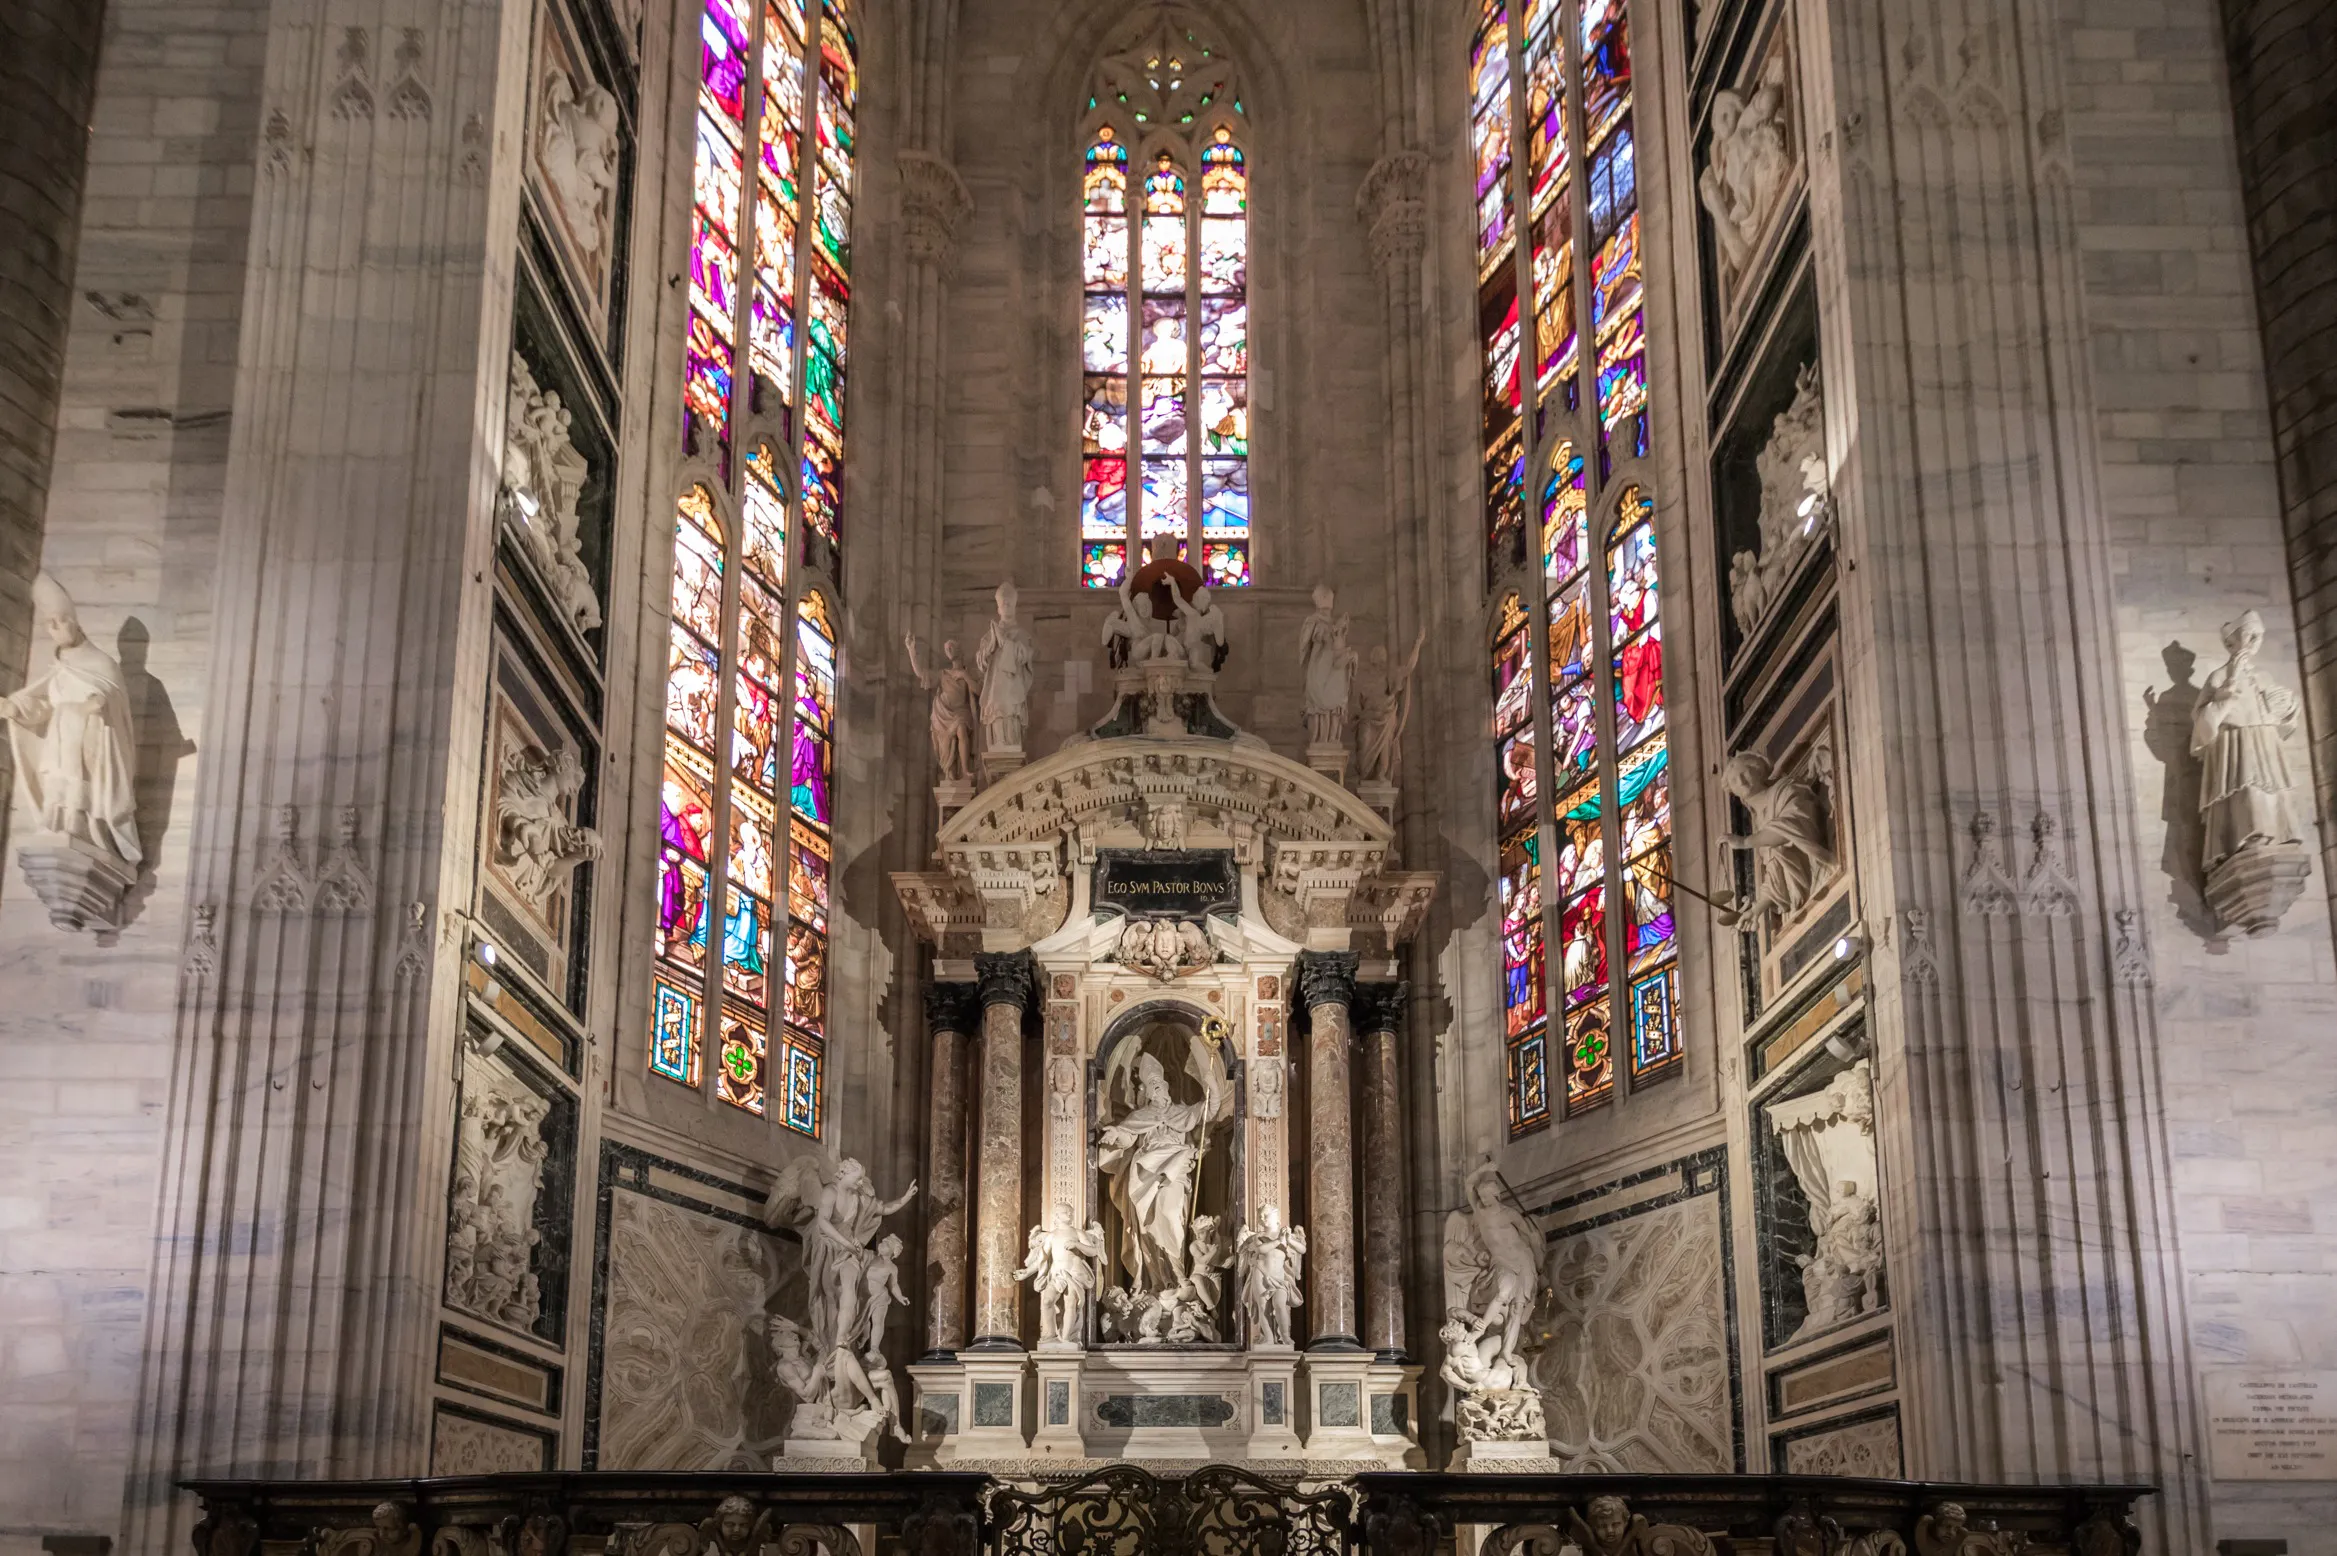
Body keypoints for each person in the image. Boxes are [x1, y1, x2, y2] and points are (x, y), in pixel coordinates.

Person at [3, 573, 140, 864]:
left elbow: (111, 701)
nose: (55, 627)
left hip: (90, 741)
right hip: (61, 738)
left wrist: (94, 704)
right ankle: (57, 819)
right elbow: (47, 706)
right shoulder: (59, 666)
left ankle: (82, 823)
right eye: (48, 623)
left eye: (61, 620)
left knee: (78, 776)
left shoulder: (102, 663)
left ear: (75, 622)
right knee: (58, 774)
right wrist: (20, 710)